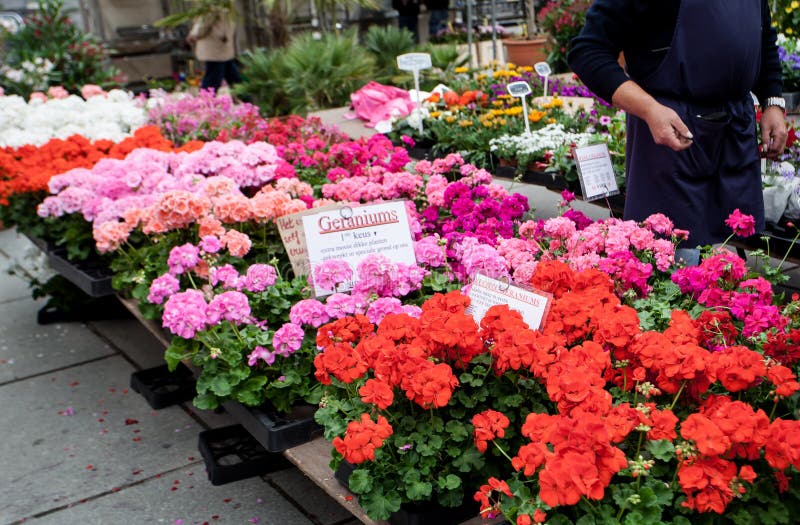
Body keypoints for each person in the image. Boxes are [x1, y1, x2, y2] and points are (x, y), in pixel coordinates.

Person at [568, 0, 788, 266]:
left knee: (725, 255)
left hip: (734, 131)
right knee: (673, 262)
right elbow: (588, 51)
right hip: (670, 135)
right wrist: (649, 109)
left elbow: (763, 37)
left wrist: (773, 101)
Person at [186, 8, 241, 92]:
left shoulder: (211, 6)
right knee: (232, 76)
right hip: (223, 44)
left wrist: (193, 35)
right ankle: (245, 100)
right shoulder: (225, 6)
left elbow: (203, 24)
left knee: (212, 79)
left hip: (214, 46)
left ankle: (203, 102)